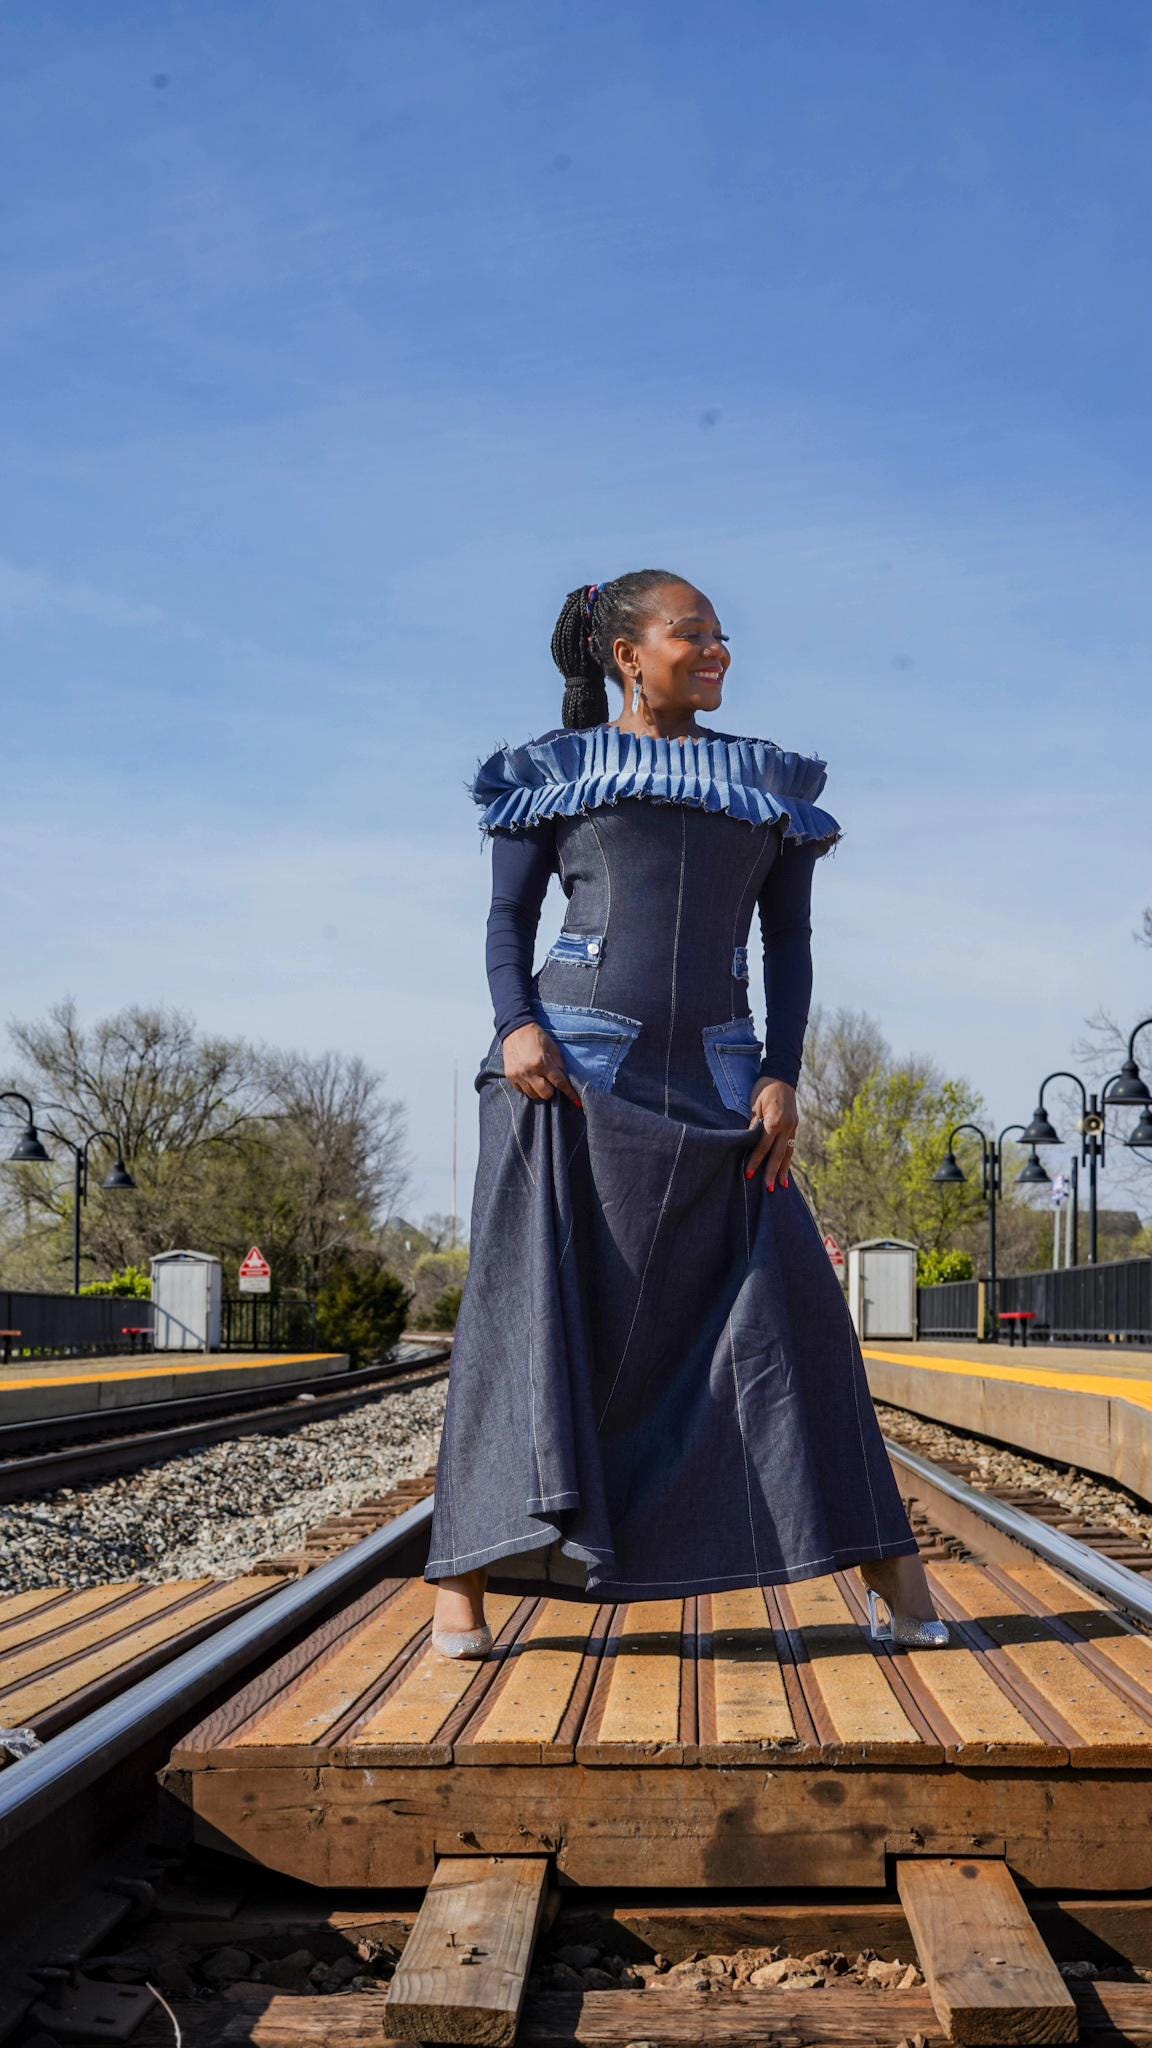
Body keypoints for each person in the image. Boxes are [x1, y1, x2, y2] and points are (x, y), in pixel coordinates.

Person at [426, 569, 948, 1657]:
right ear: (629, 654)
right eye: (691, 633)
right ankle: (460, 1587)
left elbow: (789, 941)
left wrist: (782, 1072)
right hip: (567, 1074)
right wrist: (516, 1026)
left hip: (722, 1084)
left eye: (721, 634)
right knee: (526, 1313)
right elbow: (507, 917)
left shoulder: (765, 780)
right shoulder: (557, 770)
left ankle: (897, 1581)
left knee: (800, 1312)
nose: (716, 650)